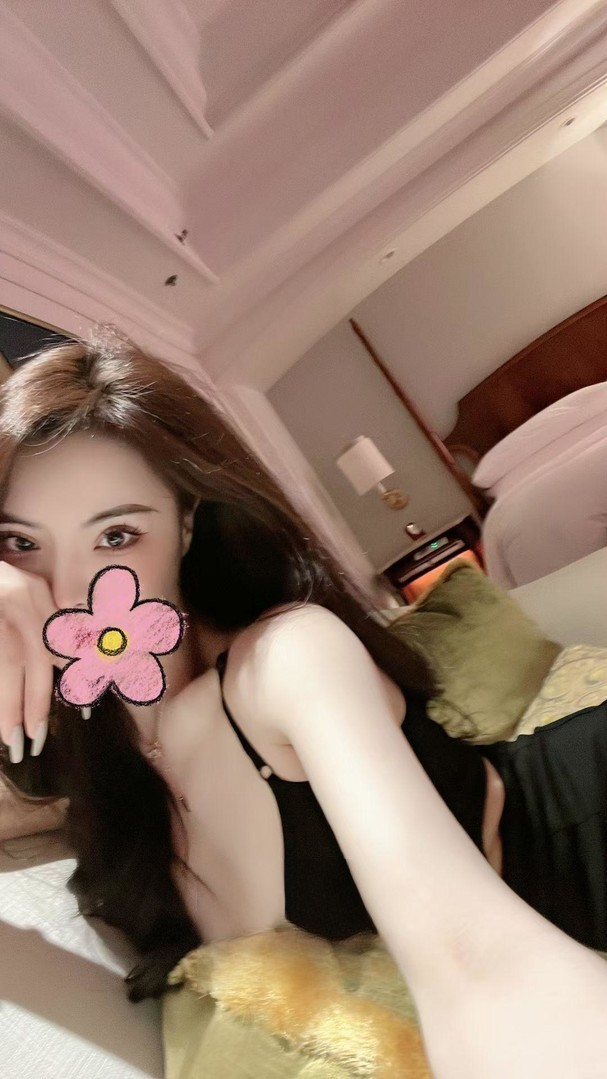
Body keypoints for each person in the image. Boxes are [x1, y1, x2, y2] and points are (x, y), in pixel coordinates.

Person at [1, 333, 607, 1079]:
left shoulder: (287, 660)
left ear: (185, 526)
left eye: (117, 535)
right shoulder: (79, 749)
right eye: (21, 544)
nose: (68, 591)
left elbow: (475, 960)